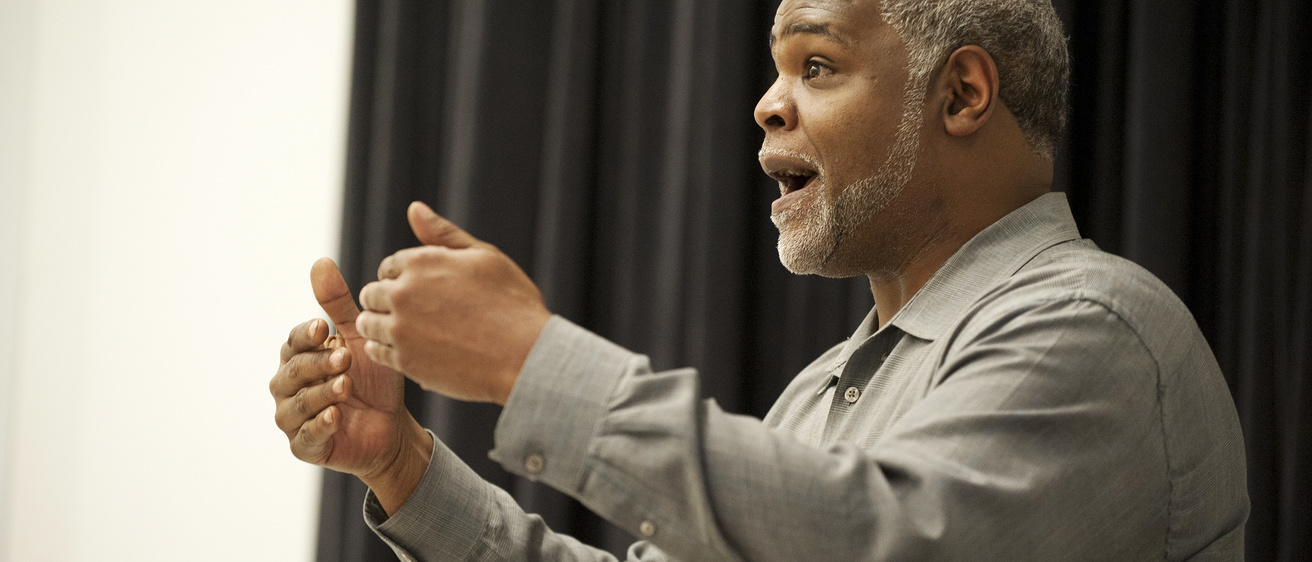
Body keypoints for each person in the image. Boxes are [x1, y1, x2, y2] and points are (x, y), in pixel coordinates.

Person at [269, 0, 1249, 559]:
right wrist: (401, 466)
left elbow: (878, 540)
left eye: (815, 64)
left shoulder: (1096, 327)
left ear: (960, 93)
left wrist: (533, 363)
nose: (766, 104)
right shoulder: (817, 397)